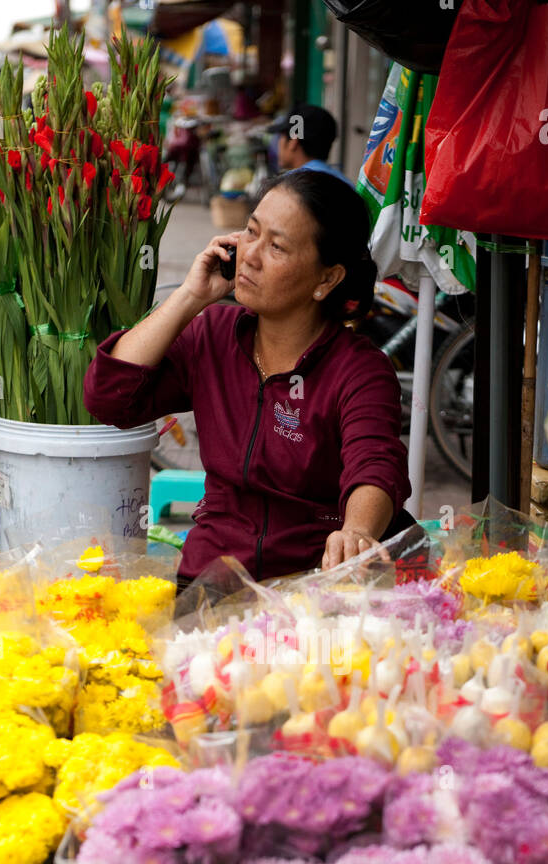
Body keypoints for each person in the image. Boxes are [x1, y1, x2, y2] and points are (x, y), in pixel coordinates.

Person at [83, 170, 411, 586]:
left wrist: (357, 531)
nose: (250, 255)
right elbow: (110, 397)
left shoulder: (359, 370)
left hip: (311, 584)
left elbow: (375, 465)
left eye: (276, 246)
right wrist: (190, 297)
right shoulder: (214, 334)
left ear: (326, 279)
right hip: (213, 574)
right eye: (250, 232)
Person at [269, 102, 352, 185]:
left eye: (281, 137)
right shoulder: (344, 183)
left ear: (293, 142)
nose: (279, 143)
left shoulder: (291, 185)